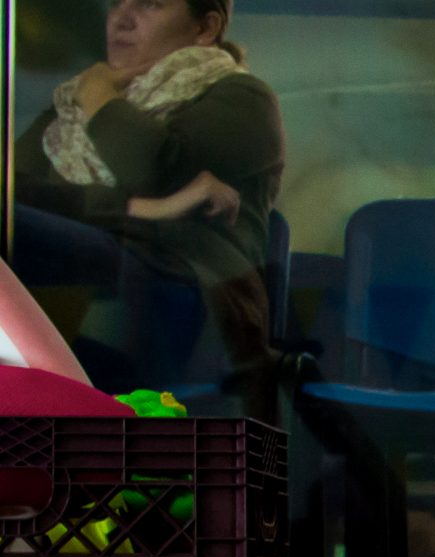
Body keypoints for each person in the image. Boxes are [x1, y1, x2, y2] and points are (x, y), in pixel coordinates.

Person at [12, 0, 282, 405]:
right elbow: (15, 192)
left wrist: (101, 97)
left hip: (179, 291)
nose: (122, 17)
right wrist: (130, 208)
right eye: (117, 3)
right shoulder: (70, 108)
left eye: (151, 4)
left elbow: (150, 171)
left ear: (205, 28)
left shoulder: (242, 97)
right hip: (84, 288)